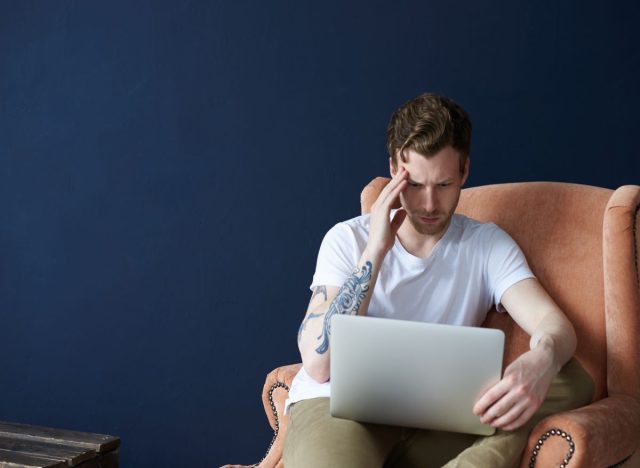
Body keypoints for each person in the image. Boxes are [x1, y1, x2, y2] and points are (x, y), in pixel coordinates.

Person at [283, 93, 593, 467]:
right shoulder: (347, 239)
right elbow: (319, 365)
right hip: (337, 409)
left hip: (440, 421)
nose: (429, 205)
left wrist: (541, 360)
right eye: (415, 185)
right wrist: (376, 251)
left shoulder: (486, 244)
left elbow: (554, 325)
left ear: (464, 172)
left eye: (444, 185)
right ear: (394, 170)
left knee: (569, 376)